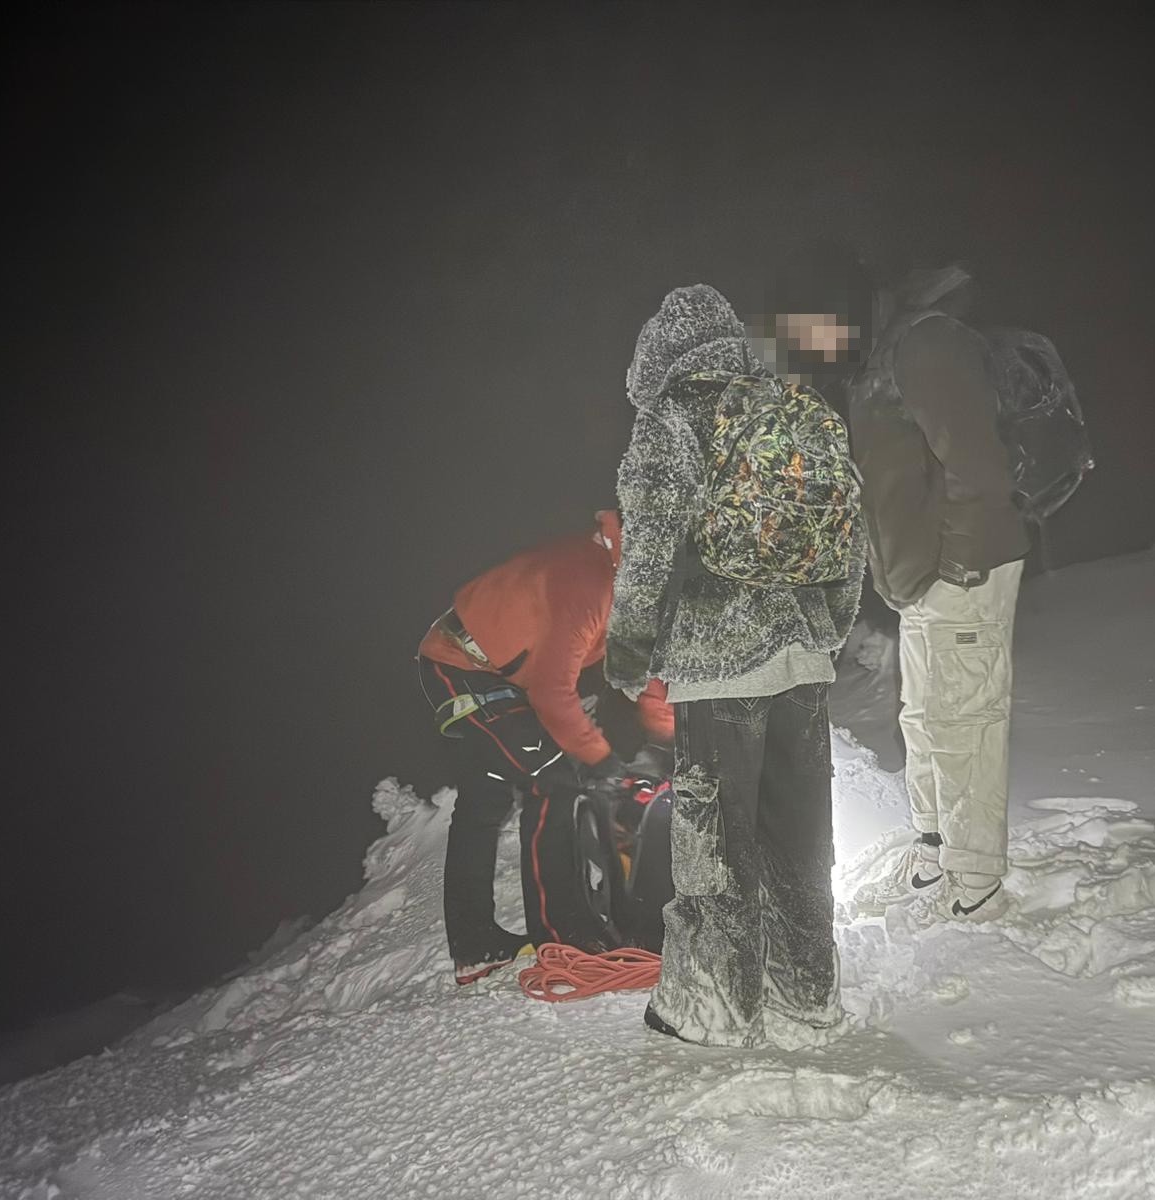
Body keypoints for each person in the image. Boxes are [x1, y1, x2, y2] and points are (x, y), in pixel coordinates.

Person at [607, 284, 866, 1048]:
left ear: (658, 354)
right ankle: (806, 1001)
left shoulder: (667, 424)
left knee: (715, 850)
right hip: (803, 664)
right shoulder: (789, 410)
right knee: (801, 845)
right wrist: (826, 629)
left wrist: (628, 654)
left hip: (718, 673)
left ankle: (712, 1010)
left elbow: (647, 553)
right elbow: (849, 540)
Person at [765, 247, 1029, 923]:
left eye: (811, 326)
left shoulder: (925, 344)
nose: (807, 344)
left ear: (842, 309)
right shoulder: (873, 364)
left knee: (964, 721)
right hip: (921, 580)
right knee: (925, 718)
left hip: (961, 571)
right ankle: (936, 851)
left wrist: (958, 565)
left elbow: (977, 461)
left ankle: (976, 884)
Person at [417, 509, 673, 984]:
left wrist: (664, 741)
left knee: (485, 798)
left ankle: (475, 946)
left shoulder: (634, 589)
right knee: (552, 778)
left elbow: (646, 670)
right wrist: (598, 758)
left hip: (510, 672)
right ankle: (563, 933)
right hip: (460, 664)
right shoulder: (588, 584)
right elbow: (553, 693)